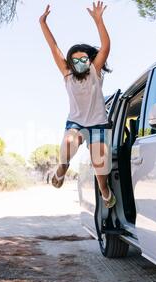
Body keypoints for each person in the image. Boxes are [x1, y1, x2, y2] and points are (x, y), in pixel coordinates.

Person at [39, 1, 116, 208]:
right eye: (75, 60)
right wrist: (43, 23)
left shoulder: (94, 71)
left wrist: (99, 20)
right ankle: (62, 168)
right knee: (68, 144)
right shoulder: (67, 75)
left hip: (98, 123)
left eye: (84, 59)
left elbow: (106, 47)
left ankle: (103, 188)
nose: (80, 62)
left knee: (100, 163)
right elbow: (54, 48)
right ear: (71, 63)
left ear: (89, 60)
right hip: (76, 123)